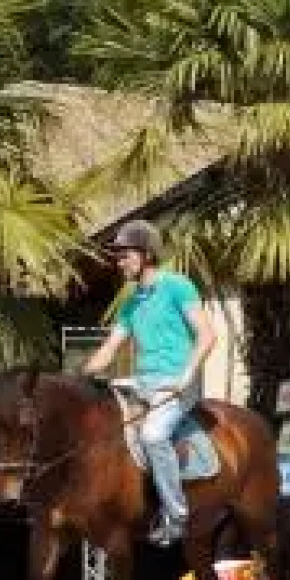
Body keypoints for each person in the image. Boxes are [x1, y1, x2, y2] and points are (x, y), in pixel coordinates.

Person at [82, 220, 217, 545]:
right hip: (143, 383)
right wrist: (80, 375)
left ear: (146, 254)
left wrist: (186, 376)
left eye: (125, 255)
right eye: (118, 257)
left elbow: (207, 335)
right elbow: (110, 348)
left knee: (153, 435)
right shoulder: (131, 303)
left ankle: (176, 516)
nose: (119, 262)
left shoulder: (178, 286)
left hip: (179, 383)